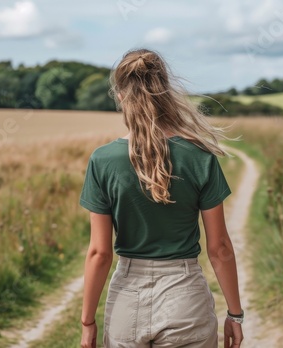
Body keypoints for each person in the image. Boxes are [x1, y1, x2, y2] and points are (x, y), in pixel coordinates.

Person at [79, 48, 244, 348]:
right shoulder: (200, 157)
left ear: (120, 96)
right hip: (186, 298)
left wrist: (87, 321)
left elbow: (99, 254)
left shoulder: (102, 161)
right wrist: (235, 314)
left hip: (127, 302)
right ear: (165, 92)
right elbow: (219, 248)